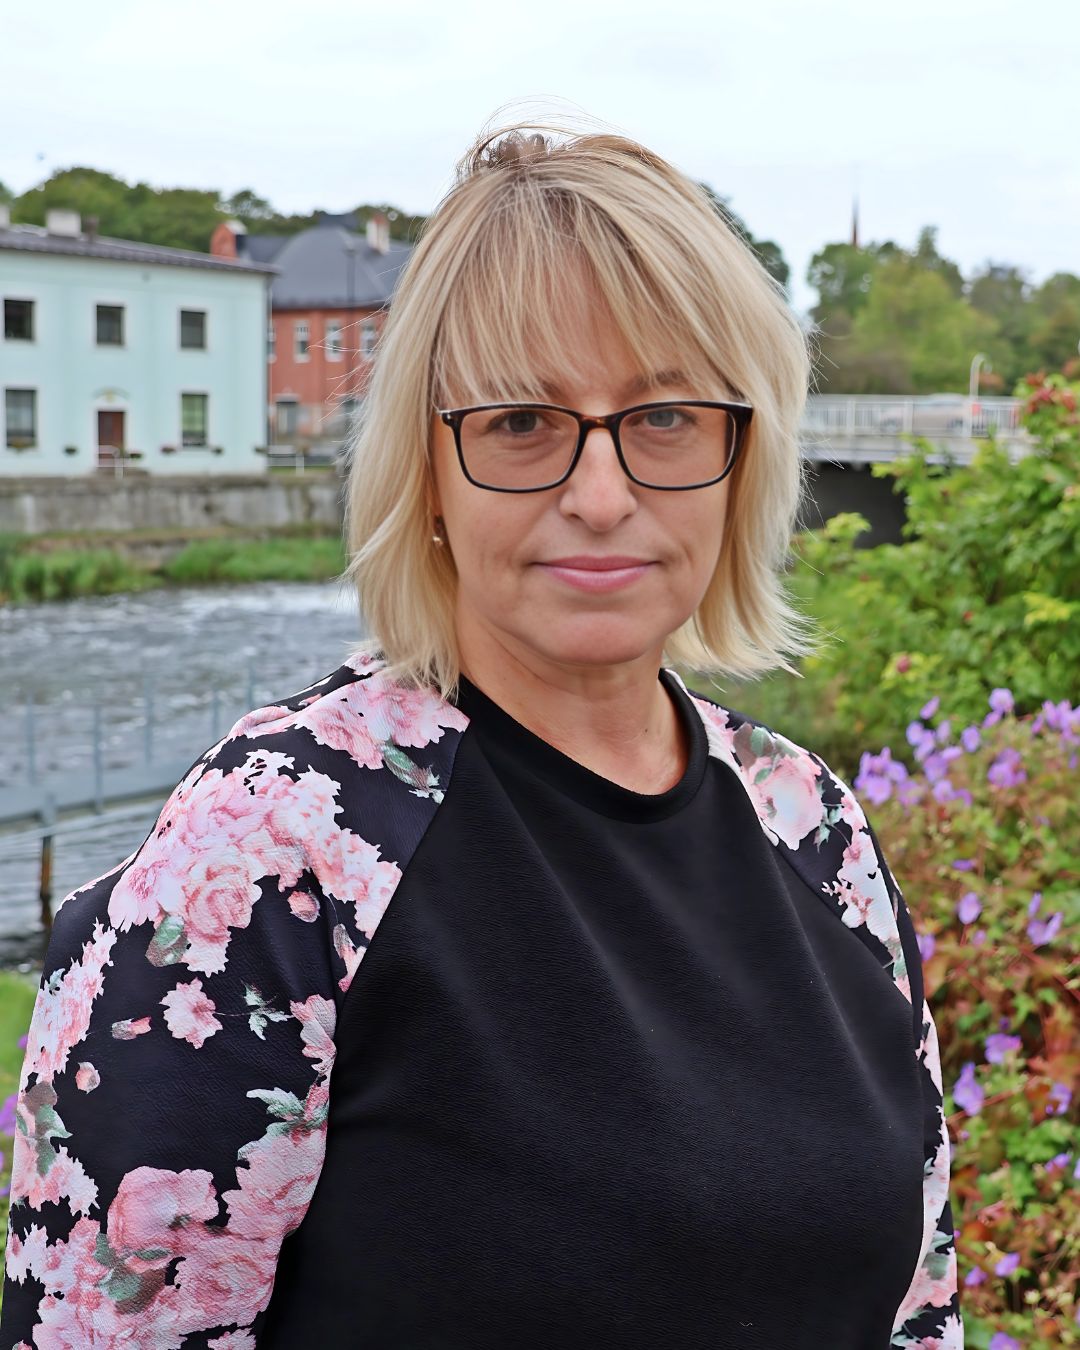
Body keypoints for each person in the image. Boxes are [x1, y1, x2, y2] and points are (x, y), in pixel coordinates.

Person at [1, 120, 961, 1349]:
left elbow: (918, 1300)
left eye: (666, 417)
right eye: (521, 423)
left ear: (743, 456)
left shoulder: (810, 825)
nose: (602, 494)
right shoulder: (278, 845)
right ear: (429, 471)